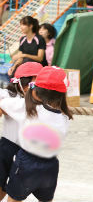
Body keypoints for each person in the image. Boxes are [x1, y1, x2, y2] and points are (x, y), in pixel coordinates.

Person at [0, 66, 71, 202]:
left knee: (14, 198)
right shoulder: (65, 117)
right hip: (51, 165)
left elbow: (3, 103)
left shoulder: (29, 110)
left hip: (27, 162)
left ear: (35, 91)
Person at [0, 62, 42, 201]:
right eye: (34, 84)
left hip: (28, 152)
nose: (38, 88)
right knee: (1, 187)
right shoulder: (9, 96)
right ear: (22, 83)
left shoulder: (42, 100)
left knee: (15, 192)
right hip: (7, 148)